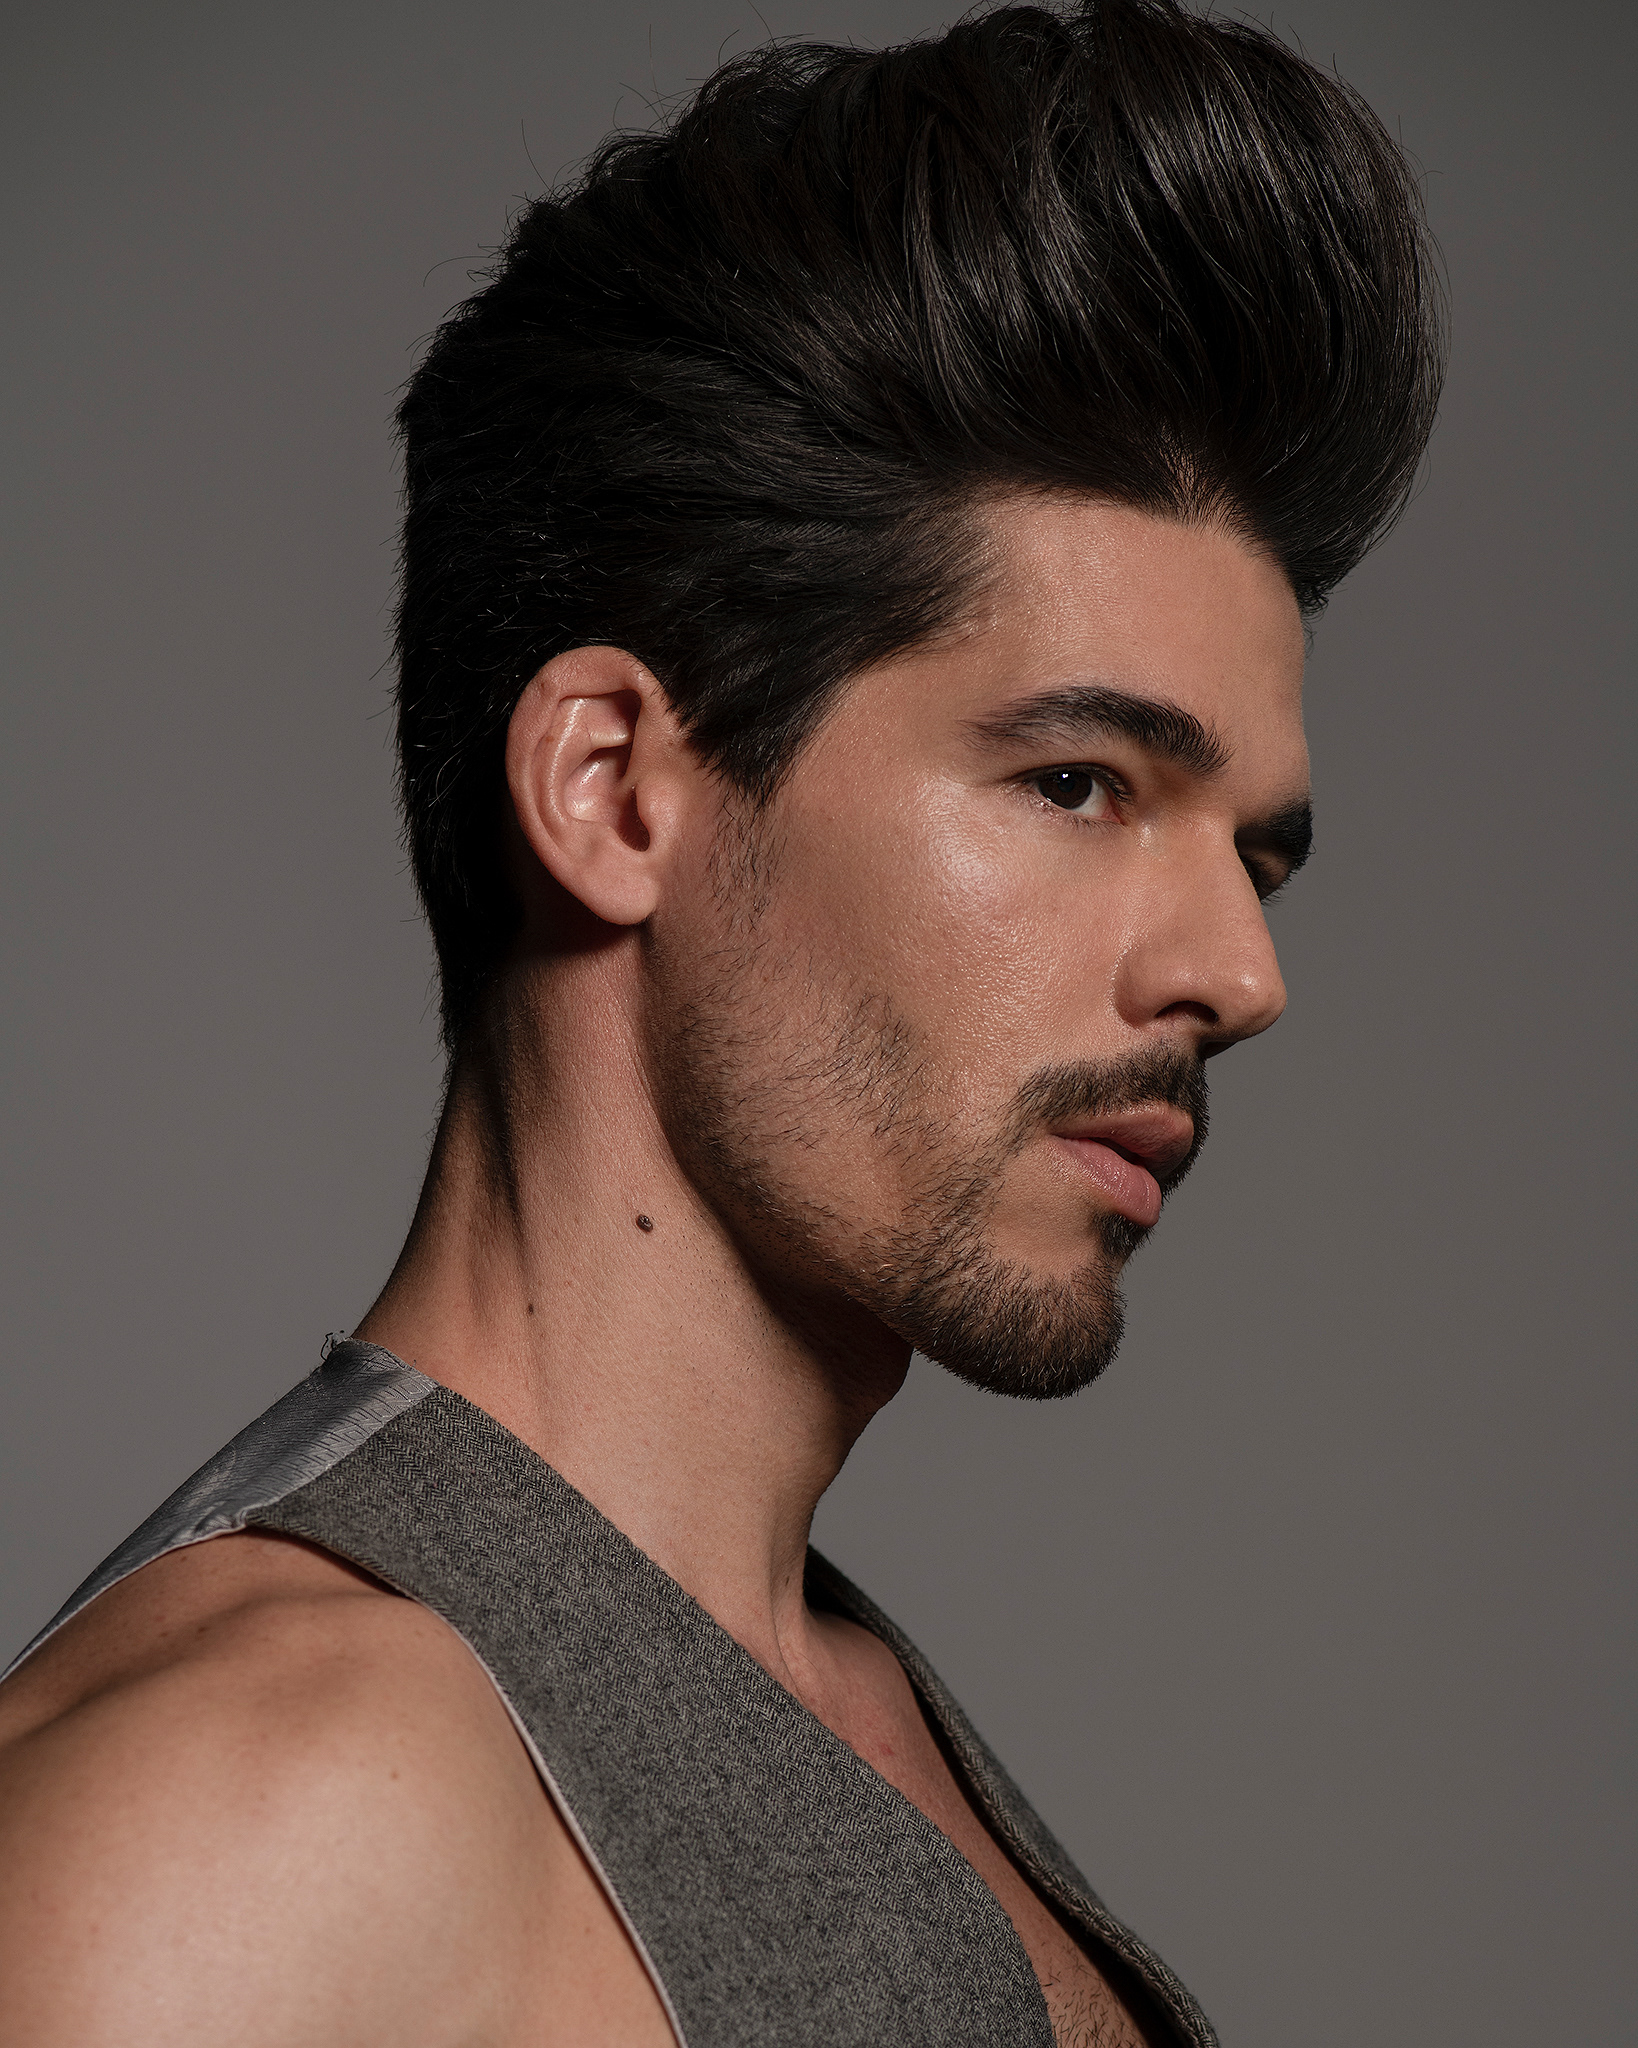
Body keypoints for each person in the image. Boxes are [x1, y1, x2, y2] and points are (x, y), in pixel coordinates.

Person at [0, 3, 1443, 2042]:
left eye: (1255, 857)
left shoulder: (842, 1703)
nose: (1236, 973)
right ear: (613, 791)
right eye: (1077, 784)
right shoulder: (257, 1812)